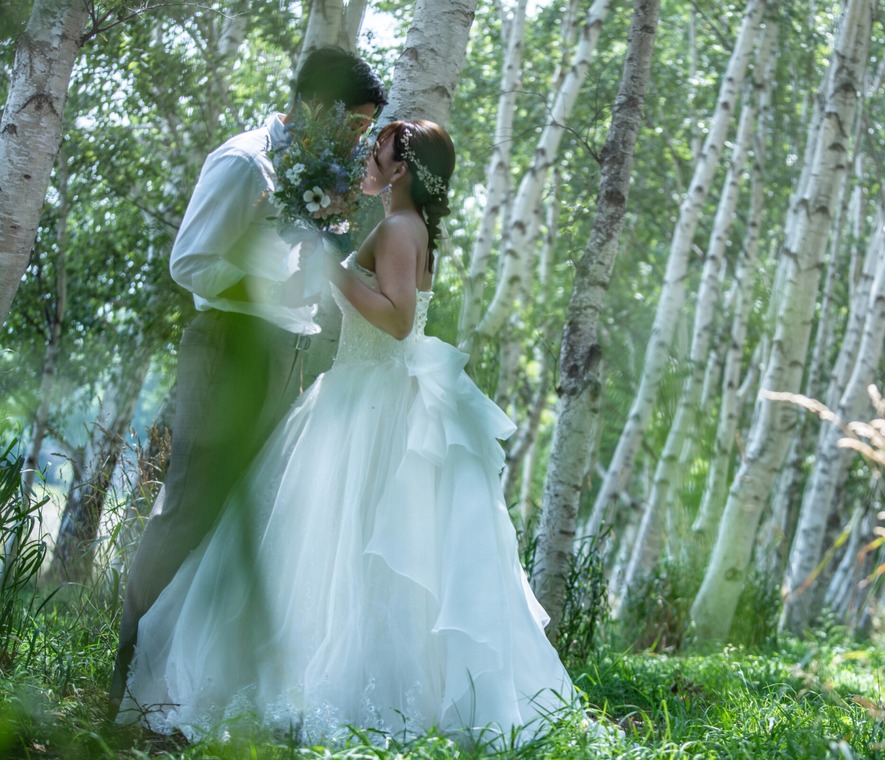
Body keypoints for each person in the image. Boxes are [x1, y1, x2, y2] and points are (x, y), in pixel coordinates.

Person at [115, 120, 577, 747]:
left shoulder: (395, 229)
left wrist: (332, 270)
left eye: (380, 148)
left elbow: (396, 318)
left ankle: (322, 686)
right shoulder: (403, 226)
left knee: (342, 543)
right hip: (365, 390)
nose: (368, 153)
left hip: (370, 396)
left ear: (403, 168)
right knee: (344, 547)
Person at [110, 47, 386, 708]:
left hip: (285, 352)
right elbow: (191, 262)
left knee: (256, 514)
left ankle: (186, 684)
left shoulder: (318, 173)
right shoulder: (244, 162)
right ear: (318, 108)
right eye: (353, 127)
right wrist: (270, 288)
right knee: (191, 508)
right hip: (230, 346)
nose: (357, 143)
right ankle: (124, 677)